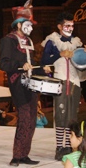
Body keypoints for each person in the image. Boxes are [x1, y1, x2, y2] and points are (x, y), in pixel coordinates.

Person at [0, 0, 52, 167]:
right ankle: (16, 155)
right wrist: (22, 64)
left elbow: (32, 63)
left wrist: (40, 67)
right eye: (28, 24)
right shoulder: (8, 40)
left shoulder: (28, 41)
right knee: (24, 118)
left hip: (31, 84)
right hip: (17, 83)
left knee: (31, 120)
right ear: (19, 24)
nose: (30, 28)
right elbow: (3, 63)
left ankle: (24, 154)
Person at [41, 11, 83, 161]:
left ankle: (69, 146)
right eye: (67, 25)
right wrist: (60, 54)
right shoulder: (52, 41)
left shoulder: (77, 43)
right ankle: (60, 147)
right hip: (59, 81)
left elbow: (82, 64)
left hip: (75, 83)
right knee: (60, 116)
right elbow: (44, 60)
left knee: (72, 116)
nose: (70, 28)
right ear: (60, 26)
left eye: (72, 25)